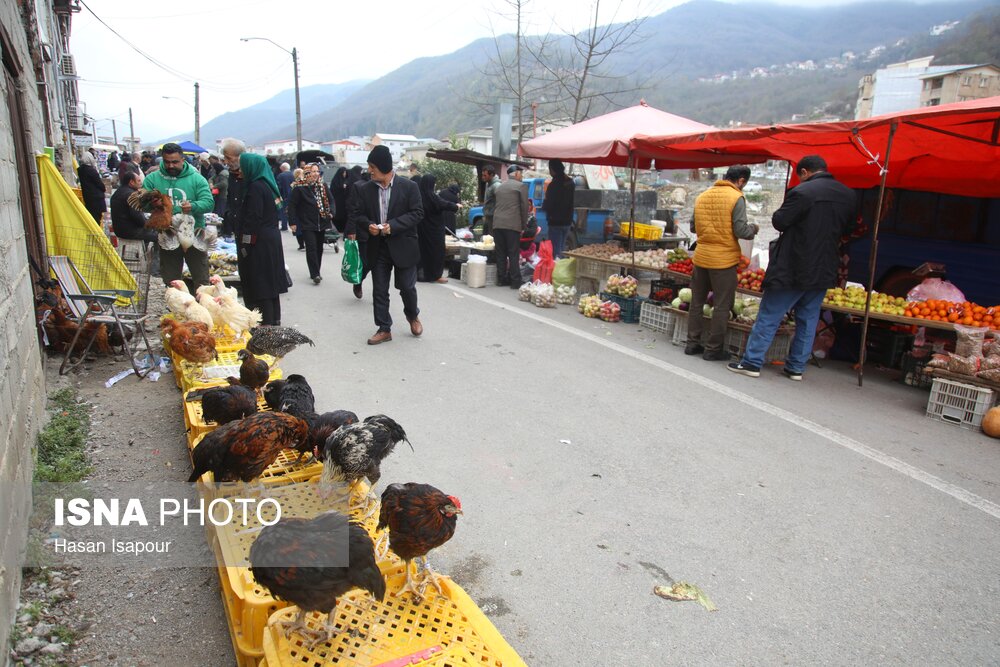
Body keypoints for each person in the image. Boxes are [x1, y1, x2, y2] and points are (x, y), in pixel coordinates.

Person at [729, 155, 857, 380]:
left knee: (770, 315)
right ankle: (796, 367)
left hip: (794, 265)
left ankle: (752, 362)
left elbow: (779, 221)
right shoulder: (847, 195)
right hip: (824, 267)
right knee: (808, 319)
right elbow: (848, 229)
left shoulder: (802, 191)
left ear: (804, 172)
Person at [347, 145, 423, 345]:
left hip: (404, 245)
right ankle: (384, 328)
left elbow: (417, 213)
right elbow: (358, 214)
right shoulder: (365, 189)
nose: (369, 171)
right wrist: (368, 225)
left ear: (383, 167)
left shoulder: (409, 187)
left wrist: (393, 226)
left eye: (372, 167)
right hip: (378, 246)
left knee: (407, 287)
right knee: (379, 289)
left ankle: (412, 315)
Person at [685, 165, 759, 361]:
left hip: (701, 257)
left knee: (697, 302)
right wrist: (754, 228)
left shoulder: (703, 196)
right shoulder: (736, 197)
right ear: (741, 180)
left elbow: (693, 227)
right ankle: (713, 349)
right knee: (722, 305)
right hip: (723, 260)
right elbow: (741, 231)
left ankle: (692, 343)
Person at [142, 142, 214, 287]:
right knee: (171, 279)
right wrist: (153, 204)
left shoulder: (197, 178)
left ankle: (201, 301)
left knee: (201, 278)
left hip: (194, 232)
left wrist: (193, 206)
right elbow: (143, 203)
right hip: (167, 233)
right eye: (167, 162)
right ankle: (174, 301)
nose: (171, 166)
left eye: (175, 162)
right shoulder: (152, 179)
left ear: (183, 159)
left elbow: (209, 203)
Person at [236, 152, 289, 325]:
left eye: (242, 166)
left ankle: (265, 322)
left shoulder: (255, 188)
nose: (240, 170)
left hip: (260, 242)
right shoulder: (266, 185)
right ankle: (273, 319)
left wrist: (245, 245)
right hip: (270, 239)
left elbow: (253, 219)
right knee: (269, 280)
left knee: (261, 281)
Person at [288, 163, 333, 284]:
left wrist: (331, 212)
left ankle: (317, 270)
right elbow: (292, 205)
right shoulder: (299, 187)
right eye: (313, 171)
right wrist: (292, 222)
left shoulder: (322, 186)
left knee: (319, 248)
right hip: (307, 223)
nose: (316, 174)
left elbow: (331, 200)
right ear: (307, 173)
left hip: (322, 222)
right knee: (311, 248)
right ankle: (315, 274)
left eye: (317, 171)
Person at [418, 173, 460, 283]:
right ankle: (436, 275)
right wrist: (456, 206)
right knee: (437, 252)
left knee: (423, 251)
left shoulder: (418, 196)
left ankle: (421, 274)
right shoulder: (432, 197)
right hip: (434, 230)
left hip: (421, 229)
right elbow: (444, 204)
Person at [492, 164, 530, 288]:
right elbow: (524, 208)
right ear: (517, 174)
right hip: (512, 225)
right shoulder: (521, 186)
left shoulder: (500, 187)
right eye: (521, 173)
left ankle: (501, 279)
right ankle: (515, 282)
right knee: (513, 253)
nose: (522, 176)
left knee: (501, 253)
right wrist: (523, 226)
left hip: (497, 224)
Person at [541, 159, 575, 259]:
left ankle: (557, 267)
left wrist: (544, 206)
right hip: (567, 221)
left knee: (555, 251)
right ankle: (561, 265)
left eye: (550, 169)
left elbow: (549, 203)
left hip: (555, 222)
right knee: (562, 248)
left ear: (553, 169)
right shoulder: (570, 183)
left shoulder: (554, 185)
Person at [77, 152, 106, 224]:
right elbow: (99, 184)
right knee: (97, 217)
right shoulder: (92, 171)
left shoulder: (80, 170)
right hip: (96, 198)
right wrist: (103, 188)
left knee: (91, 216)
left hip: (87, 196)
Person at [329, 167, 351, 234]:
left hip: (344, 203)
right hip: (337, 202)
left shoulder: (346, 180)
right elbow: (333, 191)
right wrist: (341, 187)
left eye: (345, 172)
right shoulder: (335, 181)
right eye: (344, 172)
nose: (345, 174)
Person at [481, 164, 501, 235]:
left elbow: (500, 202)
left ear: (491, 175)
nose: (483, 177)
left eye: (485, 175)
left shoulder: (496, 186)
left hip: (494, 218)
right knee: (485, 238)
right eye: (482, 175)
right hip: (488, 216)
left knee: (491, 238)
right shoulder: (488, 184)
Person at [275, 162, 294, 231]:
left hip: (284, 196)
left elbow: (278, 187)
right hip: (293, 196)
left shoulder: (280, 176)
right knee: (292, 211)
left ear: (283, 168)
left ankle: (284, 226)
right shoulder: (293, 174)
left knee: (283, 212)